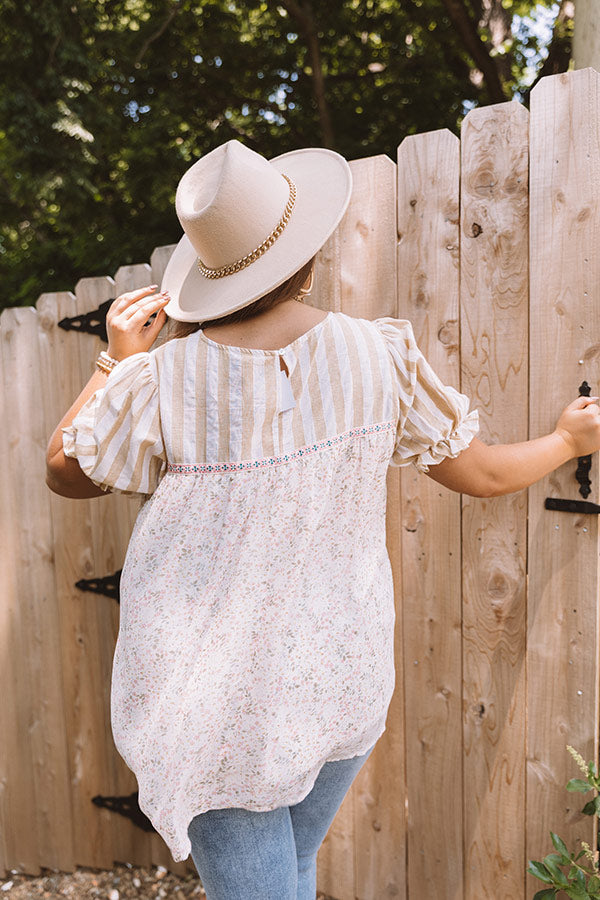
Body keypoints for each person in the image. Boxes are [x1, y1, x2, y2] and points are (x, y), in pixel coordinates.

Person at [45, 139, 600, 900]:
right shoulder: (381, 356)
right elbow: (483, 473)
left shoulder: (158, 378)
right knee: (291, 870)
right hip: (338, 672)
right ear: (304, 259)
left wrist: (112, 359)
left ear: (208, 274)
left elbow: (65, 473)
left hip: (216, 703)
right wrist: (568, 440)